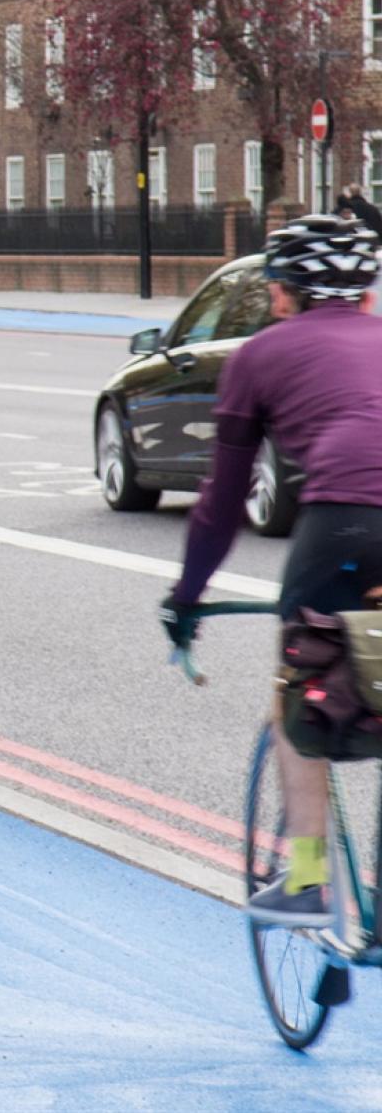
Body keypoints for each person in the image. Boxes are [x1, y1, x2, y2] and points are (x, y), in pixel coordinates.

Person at [165, 214, 382, 926]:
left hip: (344, 524)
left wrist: (188, 598)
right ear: (365, 294)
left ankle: (310, 881)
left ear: (283, 292)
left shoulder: (260, 355)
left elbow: (222, 503)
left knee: (301, 697)